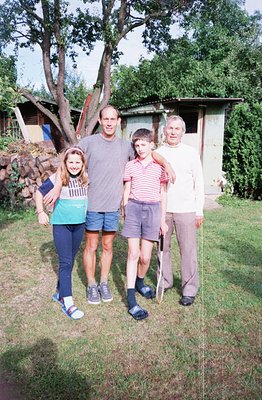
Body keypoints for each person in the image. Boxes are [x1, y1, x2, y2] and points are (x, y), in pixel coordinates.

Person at [44, 105, 175, 306]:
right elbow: (69, 160)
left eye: (113, 119)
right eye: (105, 119)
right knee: (91, 246)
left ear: (118, 121)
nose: (109, 122)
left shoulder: (126, 146)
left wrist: (166, 164)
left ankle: (104, 282)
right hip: (91, 206)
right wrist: (57, 185)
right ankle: (91, 284)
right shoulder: (88, 143)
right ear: (100, 120)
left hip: (113, 207)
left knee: (107, 246)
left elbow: (148, 153)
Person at [155, 115, 204, 306]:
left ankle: (189, 289)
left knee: (188, 250)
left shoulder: (191, 153)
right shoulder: (158, 153)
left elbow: (198, 183)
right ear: (164, 131)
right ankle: (164, 282)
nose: (173, 132)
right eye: (170, 128)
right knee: (162, 248)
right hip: (163, 210)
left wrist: (198, 211)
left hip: (186, 210)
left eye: (177, 129)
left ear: (183, 132)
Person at [36, 146, 89, 319]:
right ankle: (68, 304)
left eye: (77, 162)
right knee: (66, 262)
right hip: (62, 226)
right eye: (71, 162)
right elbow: (39, 192)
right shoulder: (58, 177)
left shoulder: (85, 178)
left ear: (82, 164)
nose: (74, 165)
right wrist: (41, 212)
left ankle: (60, 293)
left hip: (79, 225)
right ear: (65, 163)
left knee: (70, 261)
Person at [122, 128, 168, 320]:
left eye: (143, 145)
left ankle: (140, 282)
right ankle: (131, 298)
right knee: (133, 253)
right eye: (137, 145)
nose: (140, 149)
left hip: (152, 210)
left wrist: (162, 220)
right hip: (133, 208)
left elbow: (163, 194)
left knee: (145, 257)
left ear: (152, 145)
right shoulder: (130, 165)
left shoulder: (160, 167)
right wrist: (125, 209)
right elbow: (127, 189)